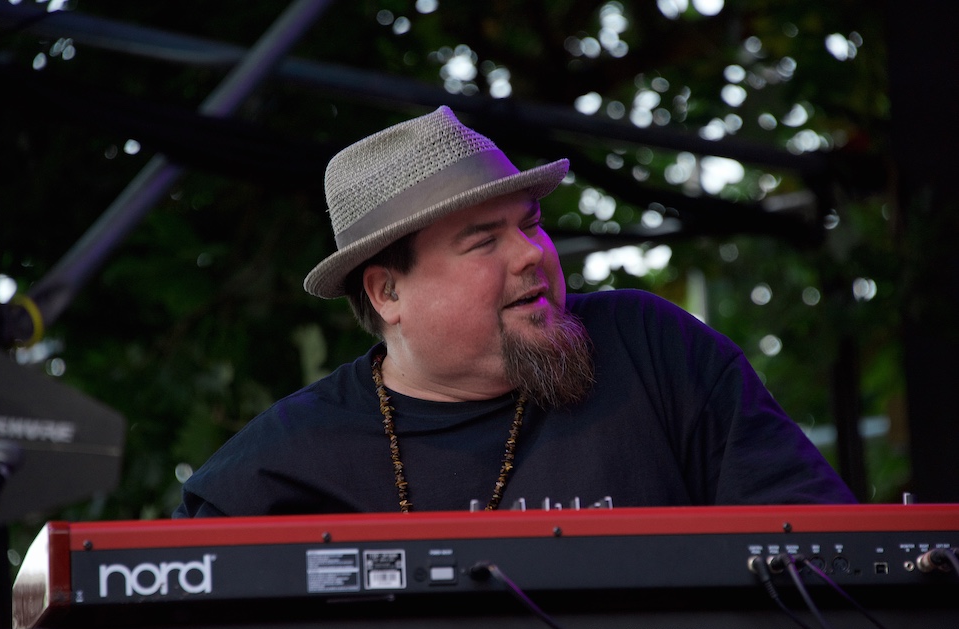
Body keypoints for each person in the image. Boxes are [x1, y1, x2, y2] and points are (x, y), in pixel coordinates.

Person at [174, 106, 855, 517]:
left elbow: (826, 560)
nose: (532, 254)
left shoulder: (652, 350)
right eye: (482, 242)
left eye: (529, 223)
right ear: (387, 293)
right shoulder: (278, 466)